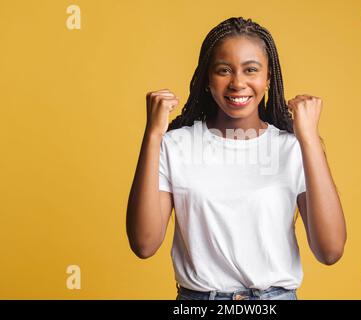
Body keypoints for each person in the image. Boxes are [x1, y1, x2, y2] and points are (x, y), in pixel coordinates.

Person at [126, 17, 347, 300]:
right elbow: (143, 244)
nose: (238, 83)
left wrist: (309, 140)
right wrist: (153, 135)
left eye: (251, 70)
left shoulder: (294, 148)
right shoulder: (175, 146)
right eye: (224, 70)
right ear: (208, 78)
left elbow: (330, 251)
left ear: (268, 79)